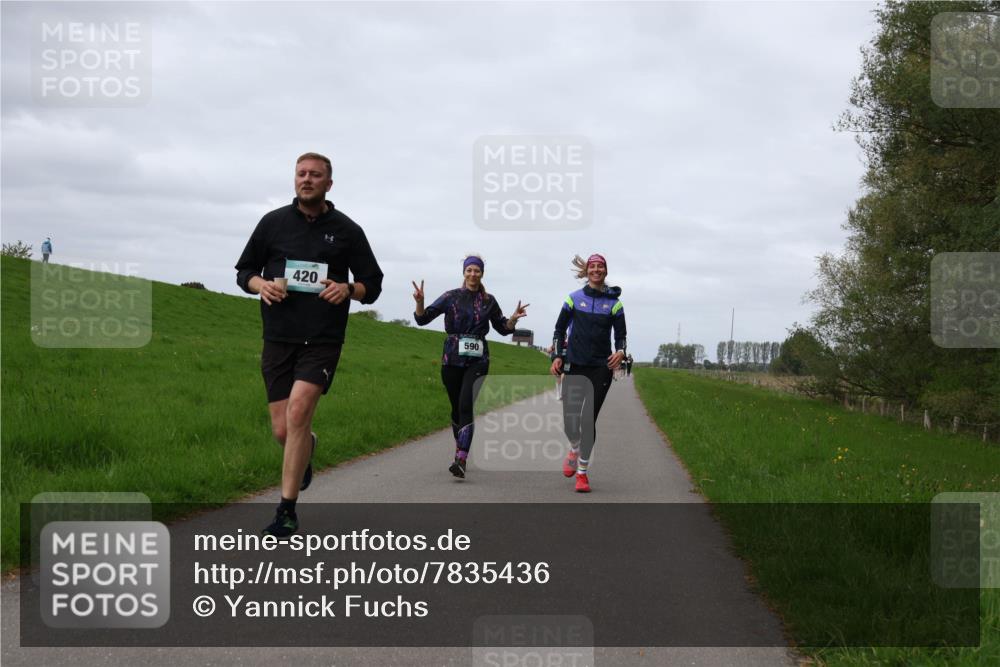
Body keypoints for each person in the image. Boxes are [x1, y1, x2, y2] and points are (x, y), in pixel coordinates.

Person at [235, 152, 383, 537]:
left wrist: (348, 288)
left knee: (299, 412)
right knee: (283, 430)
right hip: (278, 337)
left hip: (322, 338)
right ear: (294, 180)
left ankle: (286, 511)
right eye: (301, 173)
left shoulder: (348, 230)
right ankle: (306, 450)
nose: (307, 179)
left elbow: (373, 284)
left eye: (315, 175)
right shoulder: (272, 224)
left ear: (328, 184)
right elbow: (244, 272)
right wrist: (260, 284)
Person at [412, 255, 528, 478]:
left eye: (477, 271)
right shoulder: (450, 297)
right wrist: (419, 301)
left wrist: (513, 318)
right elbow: (422, 319)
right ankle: (461, 448)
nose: (473, 274)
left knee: (466, 405)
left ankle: (461, 459)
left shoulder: (488, 300)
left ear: (482, 273)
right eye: (470, 270)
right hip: (451, 358)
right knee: (456, 408)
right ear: (464, 273)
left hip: (478, 360)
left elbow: (503, 328)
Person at [550, 254, 627, 493]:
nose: (596, 270)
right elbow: (559, 329)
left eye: (600, 267)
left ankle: (582, 473)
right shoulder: (573, 299)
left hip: (600, 368)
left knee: (587, 419)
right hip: (575, 364)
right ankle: (574, 449)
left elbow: (621, 336)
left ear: (605, 271)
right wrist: (557, 356)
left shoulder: (614, 303)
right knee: (571, 423)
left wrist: (621, 351)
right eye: (592, 266)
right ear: (586, 270)